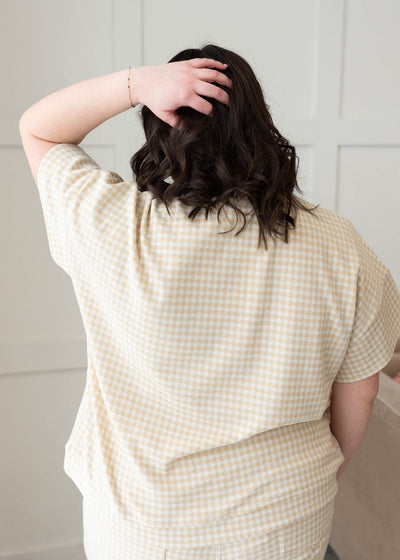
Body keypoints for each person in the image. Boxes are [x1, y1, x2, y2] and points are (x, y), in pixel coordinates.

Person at [19, 43, 400, 560]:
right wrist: (310, 479)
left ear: (159, 128)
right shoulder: (339, 245)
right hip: (284, 530)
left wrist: (136, 83)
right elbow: (360, 391)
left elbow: (38, 128)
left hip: (136, 534)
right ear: (258, 127)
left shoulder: (112, 224)